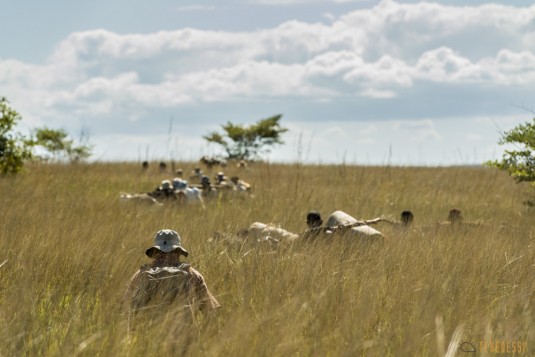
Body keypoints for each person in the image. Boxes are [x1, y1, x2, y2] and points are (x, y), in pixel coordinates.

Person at [125, 229, 220, 314]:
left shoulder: (141, 274)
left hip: (146, 331)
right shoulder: (192, 274)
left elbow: (125, 308)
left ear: (155, 251)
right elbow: (210, 310)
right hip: (183, 332)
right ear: (178, 251)